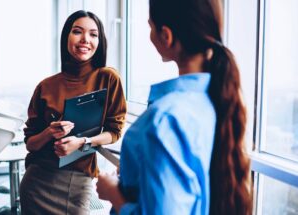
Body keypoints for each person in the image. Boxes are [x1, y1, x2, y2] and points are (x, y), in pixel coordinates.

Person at [96, 0, 252, 214]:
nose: (150, 35)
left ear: (166, 36)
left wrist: (112, 192)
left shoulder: (166, 120)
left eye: (150, 27)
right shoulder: (220, 101)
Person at [19, 10, 127, 215]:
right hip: (37, 181)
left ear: (100, 40)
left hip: (77, 181)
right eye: (77, 32)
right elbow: (31, 144)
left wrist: (83, 142)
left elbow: (114, 132)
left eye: (93, 34)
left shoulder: (108, 78)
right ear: (66, 37)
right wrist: (49, 132)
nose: (85, 39)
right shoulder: (46, 86)